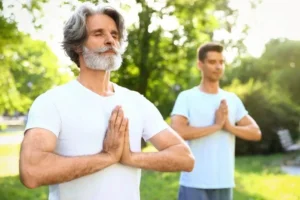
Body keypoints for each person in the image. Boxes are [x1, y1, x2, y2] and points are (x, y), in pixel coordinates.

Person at [19, 3, 194, 200]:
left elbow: (185, 158)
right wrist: (107, 157)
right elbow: (32, 172)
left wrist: (130, 158)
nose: (110, 40)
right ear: (77, 45)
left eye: (114, 34)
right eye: (98, 34)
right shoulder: (51, 102)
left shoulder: (136, 101)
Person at [171, 42, 261, 200]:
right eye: (212, 62)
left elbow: (255, 132)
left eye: (221, 62)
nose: (218, 67)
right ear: (200, 64)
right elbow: (178, 131)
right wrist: (216, 126)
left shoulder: (232, 99)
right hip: (194, 182)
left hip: (224, 182)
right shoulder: (187, 97)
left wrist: (228, 127)